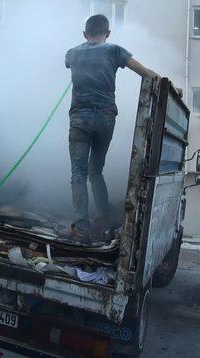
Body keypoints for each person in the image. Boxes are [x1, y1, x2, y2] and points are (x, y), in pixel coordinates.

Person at [65, 14, 158, 242]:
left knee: (79, 174)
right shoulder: (115, 50)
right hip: (106, 118)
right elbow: (145, 73)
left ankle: (83, 230)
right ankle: (104, 221)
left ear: (84, 33)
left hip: (80, 118)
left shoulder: (73, 53)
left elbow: (68, 63)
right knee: (96, 171)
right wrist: (170, 85)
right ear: (108, 33)